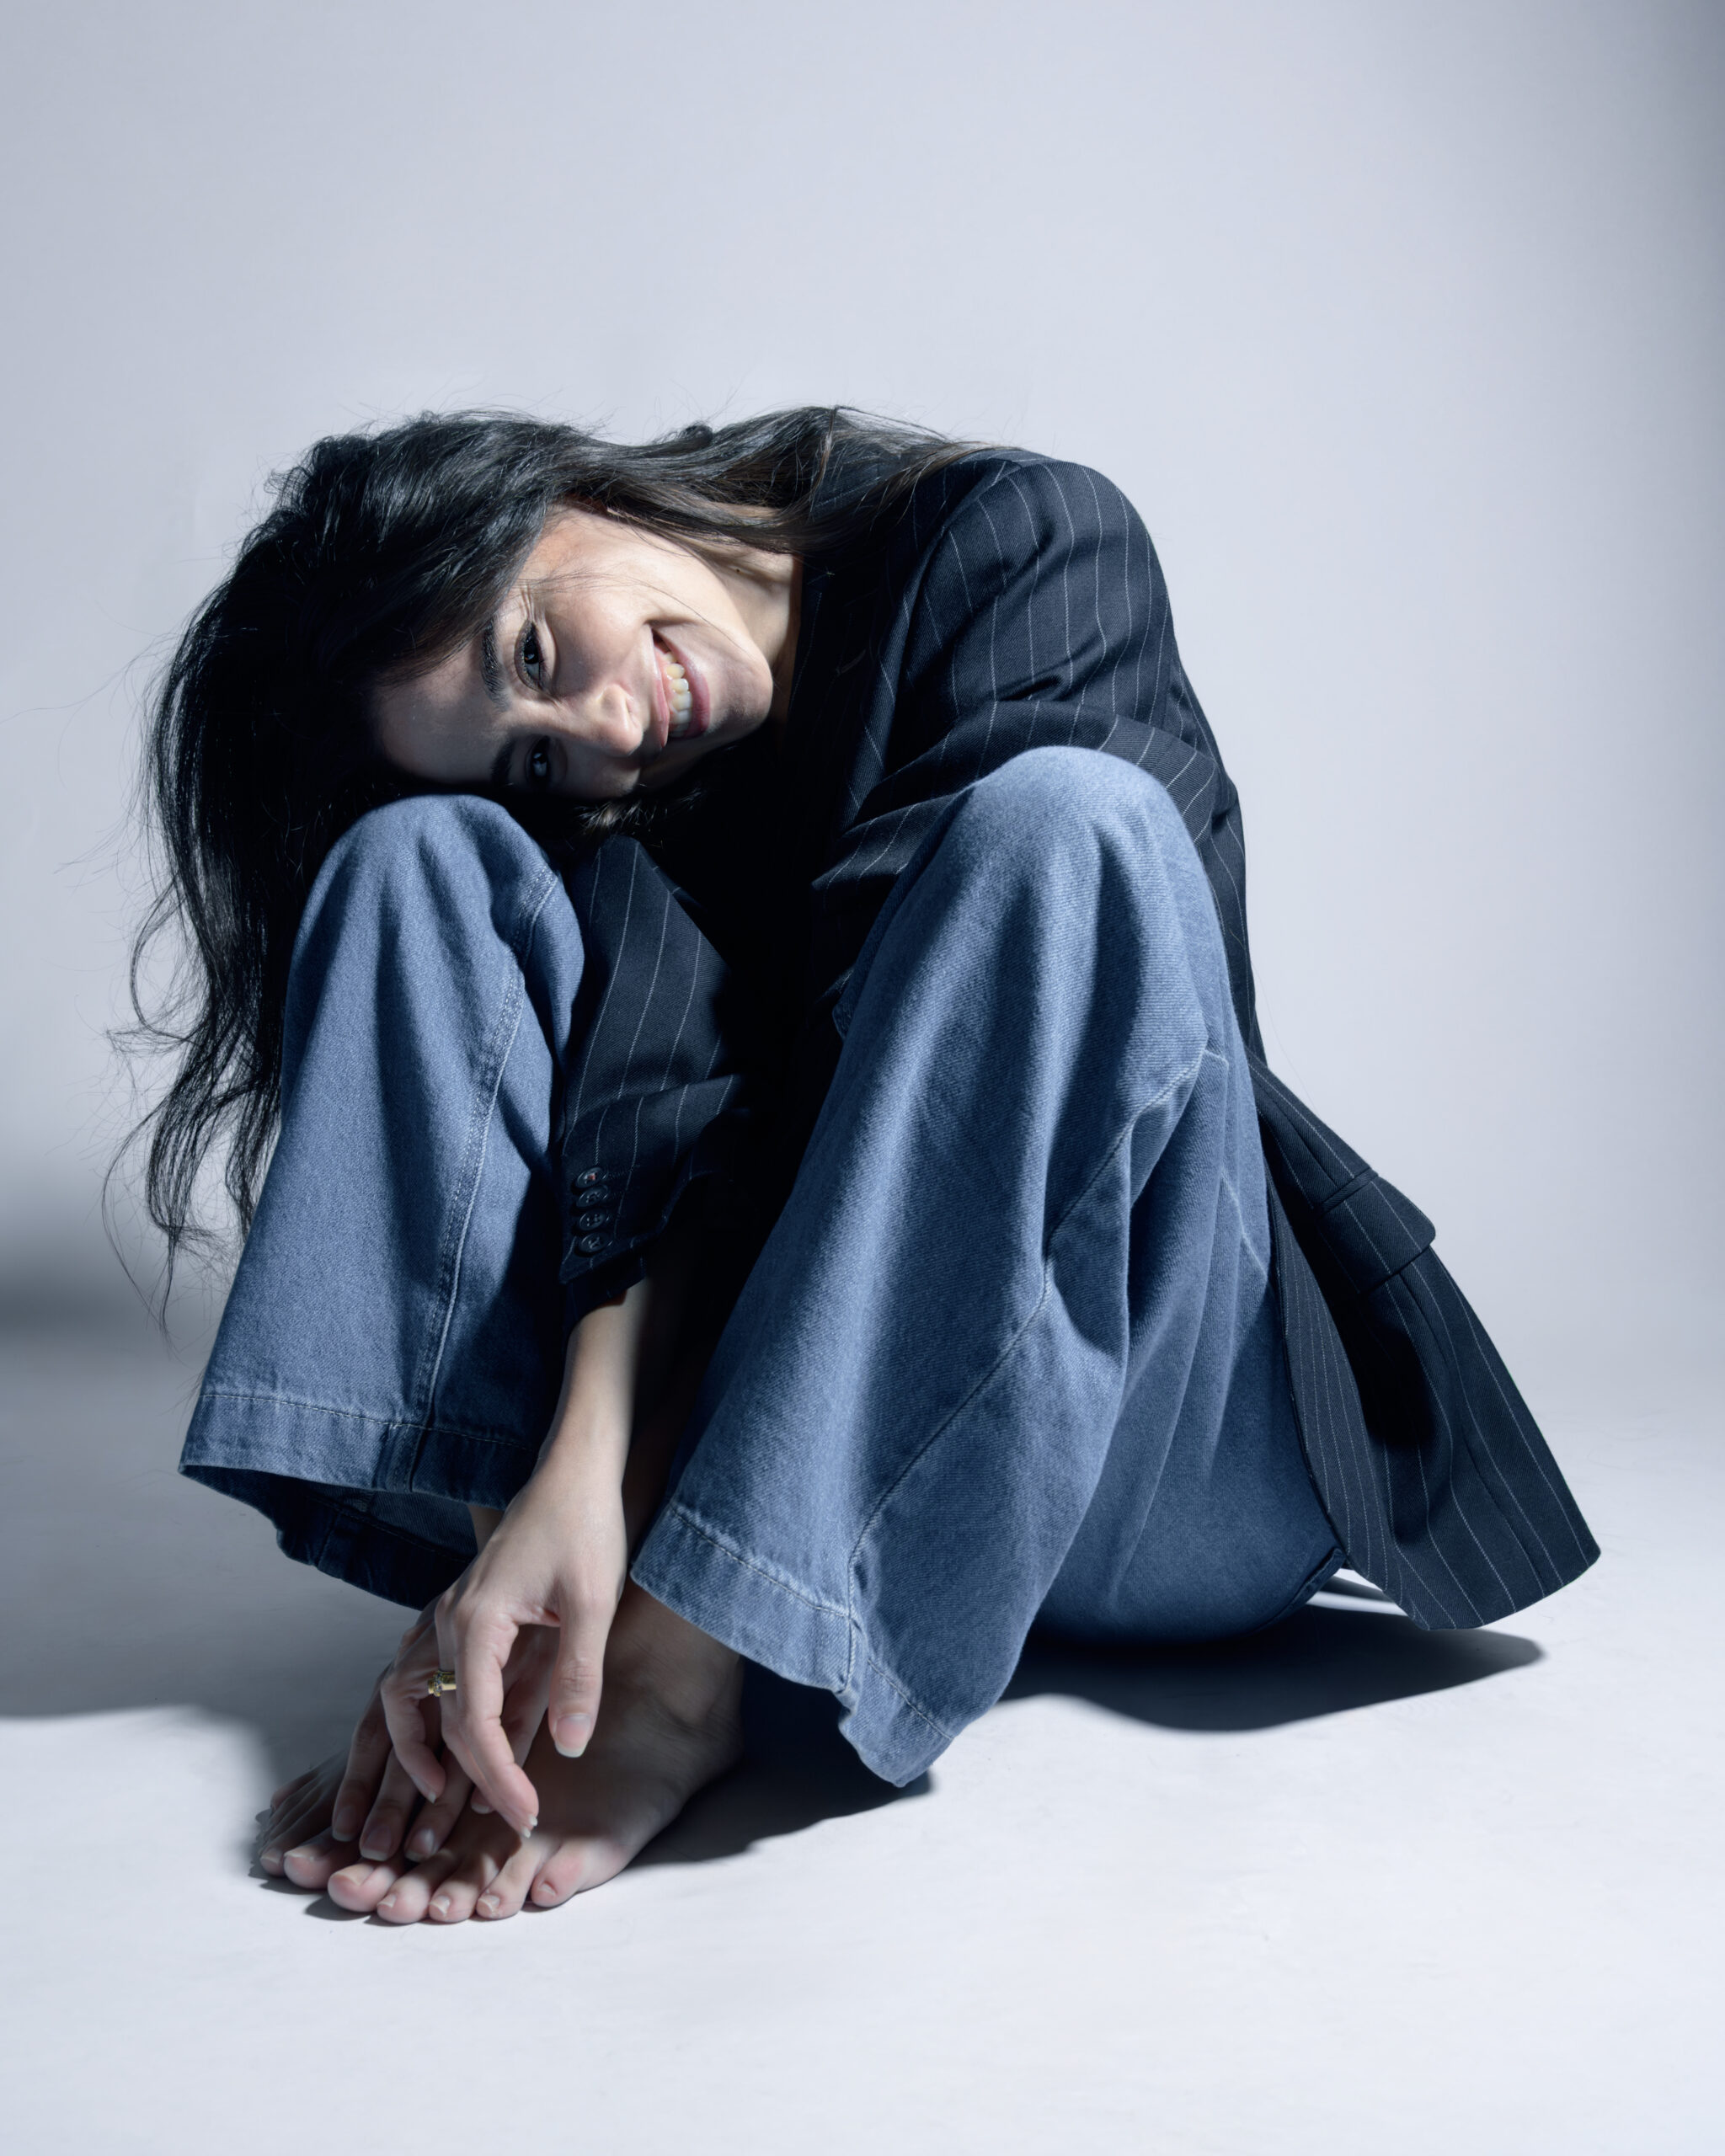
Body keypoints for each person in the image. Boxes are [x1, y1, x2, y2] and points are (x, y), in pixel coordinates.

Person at [126, 408, 1598, 1926]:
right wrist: (561, 1480)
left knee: (1066, 826)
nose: (608, 735)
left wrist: (626, 1479)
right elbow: (652, 1121)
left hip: (1150, 1453)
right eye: (538, 757)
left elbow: (888, 1088)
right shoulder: (627, 791)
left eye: (536, 655)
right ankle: (525, 1641)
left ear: (552, 492)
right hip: (800, 1476)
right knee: (416, 859)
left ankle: (678, 1664)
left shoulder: (1029, 541)